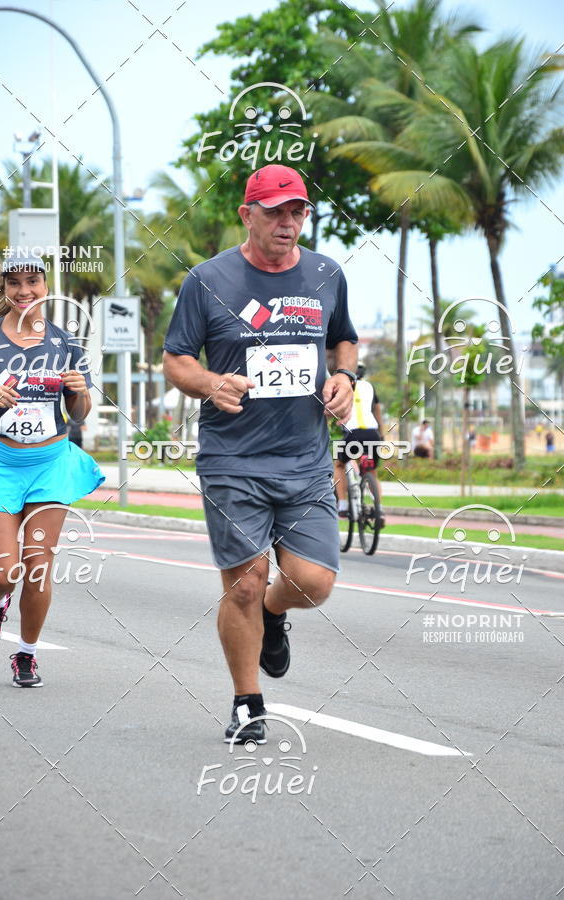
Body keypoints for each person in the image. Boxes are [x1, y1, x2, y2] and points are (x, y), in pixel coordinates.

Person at [163, 164, 358, 744]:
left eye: (297, 211)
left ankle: (276, 615)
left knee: (314, 581)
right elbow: (177, 358)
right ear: (248, 214)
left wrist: (345, 376)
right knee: (244, 584)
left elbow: (342, 337)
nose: (288, 222)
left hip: (304, 459)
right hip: (233, 461)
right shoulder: (208, 280)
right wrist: (209, 384)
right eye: (275, 211)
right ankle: (248, 703)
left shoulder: (327, 274)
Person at [0, 233, 104, 687]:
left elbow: (78, 414)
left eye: (33, 281)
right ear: (3, 288)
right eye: (15, 283)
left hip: (51, 463)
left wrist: (80, 394)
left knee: (39, 564)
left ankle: (26, 654)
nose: (25, 291)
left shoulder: (65, 342)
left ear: (46, 283)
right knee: (3, 573)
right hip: (1, 466)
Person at [333, 363, 385, 525]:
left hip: (353, 434)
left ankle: (342, 505)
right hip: (372, 432)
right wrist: (381, 434)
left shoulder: (340, 387)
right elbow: (377, 411)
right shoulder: (369, 387)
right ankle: (379, 508)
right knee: (371, 471)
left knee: (339, 465)